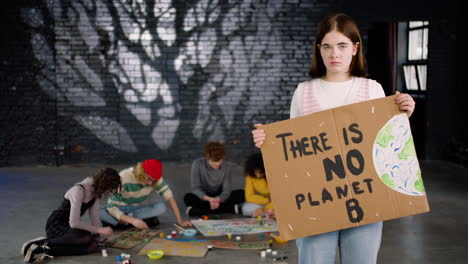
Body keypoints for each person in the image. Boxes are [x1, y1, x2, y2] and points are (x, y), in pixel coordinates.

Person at [251, 13, 416, 264]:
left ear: (355, 48)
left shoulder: (372, 89)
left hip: (366, 201)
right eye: (327, 46)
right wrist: (269, 142)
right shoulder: (303, 92)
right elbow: (292, 152)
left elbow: (386, 145)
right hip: (316, 203)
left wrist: (403, 114)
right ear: (319, 50)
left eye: (342, 46)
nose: (334, 54)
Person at [21, 168, 122, 263]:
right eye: (110, 189)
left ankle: (50, 248)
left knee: (93, 245)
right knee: (85, 239)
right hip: (56, 224)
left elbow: (94, 217)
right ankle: (43, 246)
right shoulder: (79, 190)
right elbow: (74, 223)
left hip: (70, 228)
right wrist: (99, 230)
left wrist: (99, 235)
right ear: (104, 184)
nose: (109, 192)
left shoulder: (95, 193)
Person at [100, 159, 192, 229]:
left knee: (161, 207)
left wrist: (180, 221)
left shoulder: (155, 179)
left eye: (153, 180)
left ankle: (124, 221)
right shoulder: (124, 177)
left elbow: (170, 197)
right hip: (120, 207)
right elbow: (111, 207)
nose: (149, 183)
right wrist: (132, 220)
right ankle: (128, 221)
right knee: (100, 211)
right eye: (148, 179)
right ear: (141, 172)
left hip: (134, 209)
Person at [184, 141, 245, 217]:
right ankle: (228, 209)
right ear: (207, 157)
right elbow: (195, 188)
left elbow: (226, 190)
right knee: (188, 197)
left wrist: (218, 199)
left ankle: (199, 211)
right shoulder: (197, 164)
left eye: (219, 160)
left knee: (241, 194)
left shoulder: (226, 167)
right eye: (213, 161)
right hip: (204, 196)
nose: (217, 164)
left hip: (219, 197)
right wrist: (209, 199)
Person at [241, 152, 275, 219]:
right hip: (264, 202)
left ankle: (268, 212)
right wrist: (266, 201)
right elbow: (249, 197)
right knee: (245, 209)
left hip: (276, 203)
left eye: (261, 172)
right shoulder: (250, 176)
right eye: (256, 171)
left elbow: (279, 197)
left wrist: (265, 209)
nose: (259, 175)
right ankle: (268, 213)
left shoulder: (272, 175)